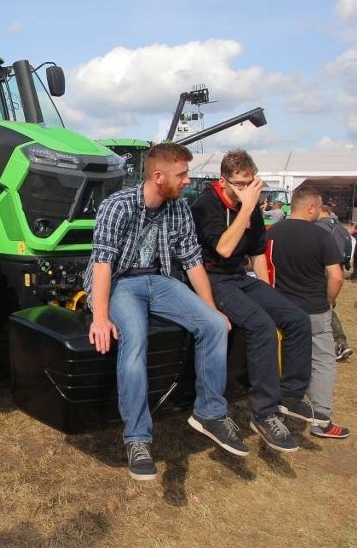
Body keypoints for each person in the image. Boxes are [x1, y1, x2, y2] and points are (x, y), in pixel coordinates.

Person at [86, 142, 246, 481]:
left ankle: (209, 412)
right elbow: (102, 263)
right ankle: (138, 438)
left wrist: (211, 310)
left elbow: (192, 262)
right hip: (120, 282)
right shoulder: (118, 205)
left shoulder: (179, 209)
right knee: (135, 340)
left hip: (158, 281)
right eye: (182, 174)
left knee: (215, 326)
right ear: (159, 177)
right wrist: (100, 316)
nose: (188, 180)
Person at [191, 149, 315, 454]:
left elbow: (258, 252)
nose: (247, 189)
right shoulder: (205, 205)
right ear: (224, 181)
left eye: (250, 182)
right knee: (260, 326)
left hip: (240, 277)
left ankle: (292, 393)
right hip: (214, 278)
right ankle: (264, 413)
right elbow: (223, 248)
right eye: (240, 184)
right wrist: (246, 208)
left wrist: (268, 292)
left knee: (296, 317)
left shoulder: (252, 207)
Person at [266, 186, 351, 439]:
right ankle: (320, 418)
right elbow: (336, 278)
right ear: (311, 207)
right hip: (313, 310)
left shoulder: (272, 232)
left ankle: (275, 414)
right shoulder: (322, 235)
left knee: (280, 362)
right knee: (322, 361)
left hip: (280, 308)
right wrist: (328, 301)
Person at [315, 204, 354, 362]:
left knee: (325, 307)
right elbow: (349, 244)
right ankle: (340, 342)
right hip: (335, 268)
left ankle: (339, 343)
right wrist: (346, 263)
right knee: (327, 306)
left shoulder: (317, 228)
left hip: (322, 269)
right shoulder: (340, 227)